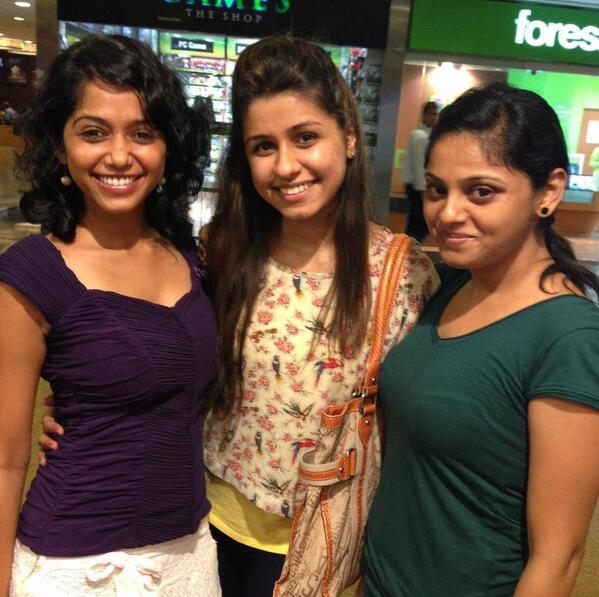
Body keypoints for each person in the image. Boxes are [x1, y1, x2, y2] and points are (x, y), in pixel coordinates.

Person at [38, 35, 439, 596]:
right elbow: (172, 354)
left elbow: (421, 412)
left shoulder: (401, 272)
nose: (286, 166)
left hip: (318, 540)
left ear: (348, 136)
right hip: (200, 524)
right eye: (263, 146)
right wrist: (89, 406)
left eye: (306, 137)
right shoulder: (219, 248)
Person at [0, 35, 220, 596]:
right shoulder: (32, 273)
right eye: (94, 132)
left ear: (167, 146)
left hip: (189, 553)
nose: (120, 156)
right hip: (77, 567)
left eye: (142, 133)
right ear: (60, 146)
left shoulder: (187, 255)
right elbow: (5, 458)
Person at [363, 82, 599, 596]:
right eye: (437, 189)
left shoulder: (569, 338)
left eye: (481, 191)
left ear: (548, 192)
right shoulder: (448, 284)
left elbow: (558, 558)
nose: (448, 212)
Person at [401, 100, 438, 242]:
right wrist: (423, 188)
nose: (434, 118)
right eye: (432, 114)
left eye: (435, 114)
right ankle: (408, 249)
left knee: (417, 223)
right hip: (417, 187)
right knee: (417, 224)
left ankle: (410, 248)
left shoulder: (427, 134)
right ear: (424, 115)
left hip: (417, 185)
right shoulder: (420, 136)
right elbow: (419, 164)